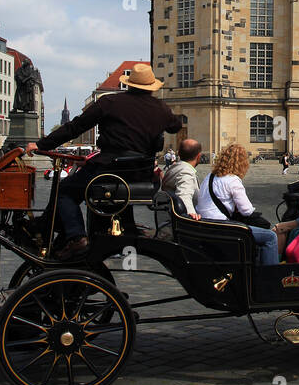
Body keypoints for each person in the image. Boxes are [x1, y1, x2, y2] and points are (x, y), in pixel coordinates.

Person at [28, 62, 183, 259]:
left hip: (109, 171)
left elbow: (75, 127)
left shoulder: (110, 103)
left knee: (64, 191)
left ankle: (75, 236)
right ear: (151, 88)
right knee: (77, 188)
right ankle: (119, 227)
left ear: (128, 85)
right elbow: (175, 126)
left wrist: (42, 145)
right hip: (141, 176)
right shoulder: (160, 108)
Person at [196, 143, 279, 266]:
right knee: (270, 237)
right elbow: (247, 211)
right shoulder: (233, 180)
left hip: (204, 224)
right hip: (221, 227)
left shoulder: (210, 176)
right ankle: (271, 275)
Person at [162, 138, 203, 218]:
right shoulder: (186, 172)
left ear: (179, 154)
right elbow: (184, 195)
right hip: (181, 224)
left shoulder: (173, 169)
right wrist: (190, 214)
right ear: (198, 156)